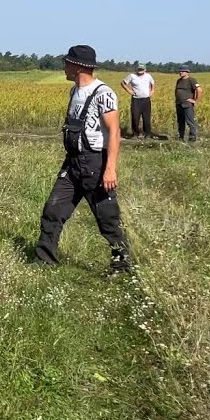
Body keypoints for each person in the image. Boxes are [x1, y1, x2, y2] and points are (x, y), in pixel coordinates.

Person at [33, 45, 133, 275]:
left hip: (95, 164)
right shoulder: (74, 92)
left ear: (78, 67)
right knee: (53, 210)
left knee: (107, 218)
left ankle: (123, 266)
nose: (64, 67)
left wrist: (110, 169)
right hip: (73, 163)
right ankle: (44, 262)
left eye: (67, 63)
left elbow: (115, 133)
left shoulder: (104, 94)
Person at [120, 63, 155, 138]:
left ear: (145, 70)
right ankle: (135, 134)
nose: (140, 71)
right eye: (139, 69)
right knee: (135, 117)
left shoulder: (148, 76)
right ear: (136, 69)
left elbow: (152, 83)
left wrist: (152, 91)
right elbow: (123, 83)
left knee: (146, 118)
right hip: (136, 100)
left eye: (142, 69)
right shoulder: (132, 76)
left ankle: (147, 134)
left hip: (146, 99)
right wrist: (129, 91)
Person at [174, 67, 202, 142]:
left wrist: (195, 100)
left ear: (187, 72)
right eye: (180, 71)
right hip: (179, 104)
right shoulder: (179, 81)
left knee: (190, 122)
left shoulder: (191, 80)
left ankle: (192, 138)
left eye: (183, 71)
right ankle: (181, 137)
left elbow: (199, 90)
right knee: (180, 122)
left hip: (187, 104)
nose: (180, 73)